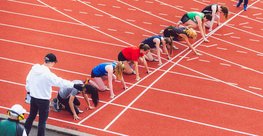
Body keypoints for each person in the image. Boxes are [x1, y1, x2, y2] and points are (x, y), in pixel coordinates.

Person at [24, 53, 84, 136]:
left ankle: (24, 134)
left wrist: (29, 92)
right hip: (43, 101)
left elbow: (28, 81)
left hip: (33, 98)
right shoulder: (48, 74)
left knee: (31, 117)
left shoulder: (33, 69)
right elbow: (60, 82)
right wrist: (73, 85)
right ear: (52, 63)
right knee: (42, 122)